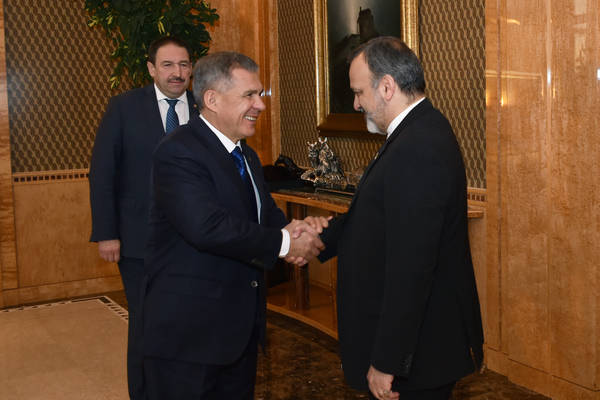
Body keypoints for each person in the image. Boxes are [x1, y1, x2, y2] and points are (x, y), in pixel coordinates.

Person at [141, 51, 327, 399]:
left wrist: (297, 230)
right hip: (190, 338)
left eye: (260, 94)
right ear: (212, 99)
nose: (260, 104)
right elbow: (207, 227)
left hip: (238, 331)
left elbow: (264, 214)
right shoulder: (178, 151)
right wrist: (286, 244)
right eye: (249, 95)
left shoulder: (246, 154)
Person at [318, 36, 484, 400]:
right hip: (419, 347)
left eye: (359, 92)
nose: (356, 103)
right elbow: (375, 219)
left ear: (387, 87)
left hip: (419, 356)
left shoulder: (418, 146)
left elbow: (412, 266)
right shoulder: (414, 133)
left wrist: (387, 361)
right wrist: (317, 237)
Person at [88, 36, 197, 399]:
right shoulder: (124, 107)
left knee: (190, 321)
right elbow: (103, 172)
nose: (176, 72)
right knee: (145, 322)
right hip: (139, 240)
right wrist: (107, 233)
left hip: (197, 240)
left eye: (183, 64)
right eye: (167, 65)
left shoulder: (206, 106)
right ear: (151, 69)